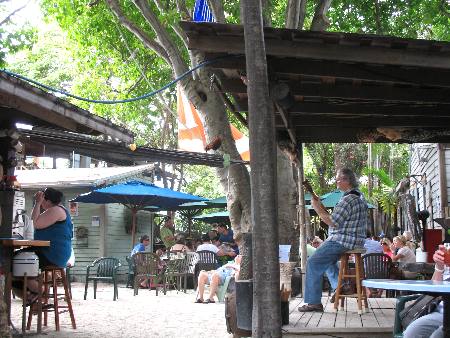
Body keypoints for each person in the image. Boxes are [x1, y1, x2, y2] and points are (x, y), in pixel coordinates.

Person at [298, 168, 368, 312]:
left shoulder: (348, 199)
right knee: (323, 258)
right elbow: (341, 219)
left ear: (346, 181)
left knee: (312, 262)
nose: (336, 182)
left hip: (342, 241)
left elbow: (332, 221)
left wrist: (317, 208)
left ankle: (314, 303)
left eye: (338, 179)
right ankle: (341, 285)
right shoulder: (360, 196)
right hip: (355, 240)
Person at [13, 188, 73, 303]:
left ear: (47, 200)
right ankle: (33, 294)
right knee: (17, 263)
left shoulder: (56, 210)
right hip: (50, 252)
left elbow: (35, 223)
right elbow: (34, 221)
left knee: (15, 261)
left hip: (52, 253)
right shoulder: (56, 210)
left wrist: (37, 203)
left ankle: (39, 290)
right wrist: (38, 204)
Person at [402, 245, 447, 338]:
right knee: (411, 333)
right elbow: (434, 289)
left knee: (438, 335)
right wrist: (439, 267)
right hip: (441, 312)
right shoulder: (447, 256)